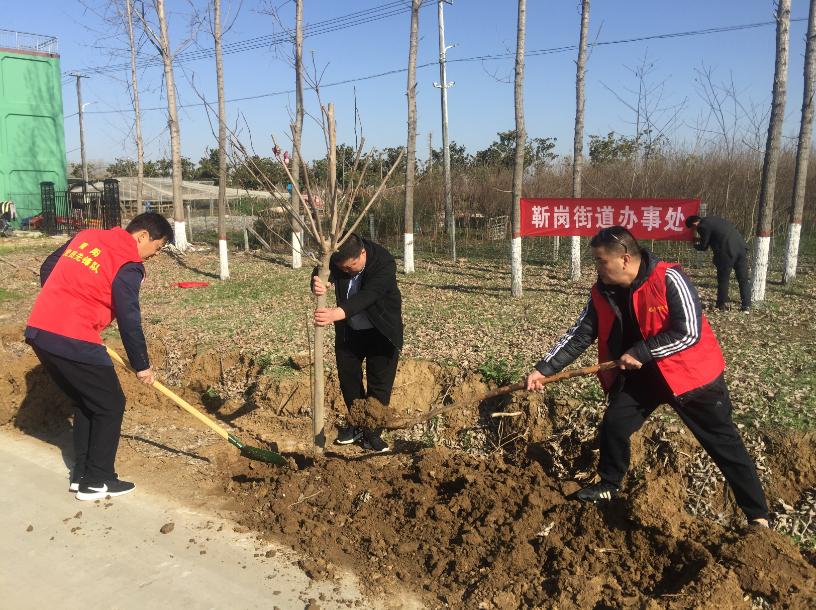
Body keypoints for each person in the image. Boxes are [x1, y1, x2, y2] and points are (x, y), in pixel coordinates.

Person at [526, 226, 769, 527]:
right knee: (614, 424)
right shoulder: (602, 291)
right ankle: (609, 484)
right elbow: (580, 335)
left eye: (601, 261)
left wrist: (641, 352)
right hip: (643, 377)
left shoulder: (669, 278)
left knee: (724, 444)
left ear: (625, 259)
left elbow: (688, 332)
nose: (597, 268)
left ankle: (758, 517)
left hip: (690, 377)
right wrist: (544, 369)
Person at [25, 212, 173, 501]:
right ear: (142, 236)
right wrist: (142, 365)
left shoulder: (86, 238)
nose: (155, 255)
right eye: (157, 247)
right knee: (111, 404)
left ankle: (81, 475)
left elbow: (49, 267)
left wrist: (63, 301)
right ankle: (98, 480)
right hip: (74, 336)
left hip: (41, 329)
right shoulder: (129, 264)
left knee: (86, 402)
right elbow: (129, 317)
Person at [311, 233, 403, 452]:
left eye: (351, 267)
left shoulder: (384, 262)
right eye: (342, 269)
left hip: (382, 332)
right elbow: (321, 270)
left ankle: (372, 431)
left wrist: (337, 313)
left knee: (379, 384)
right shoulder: (339, 260)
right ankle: (357, 424)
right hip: (350, 332)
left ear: (362, 253)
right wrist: (317, 282)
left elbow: (370, 295)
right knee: (348, 380)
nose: (346, 272)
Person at [685, 214, 751, 311]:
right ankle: (746, 305)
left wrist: (694, 244)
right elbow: (716, 236)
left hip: (726, 252)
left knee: (723, 280)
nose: (695, 230)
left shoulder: (702, 226)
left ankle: (721, 304)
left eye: (693, 228)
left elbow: (704, 246)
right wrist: (699, 239)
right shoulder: (712, 220)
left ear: (694, 223)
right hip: (740, 248)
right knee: (743, 279)